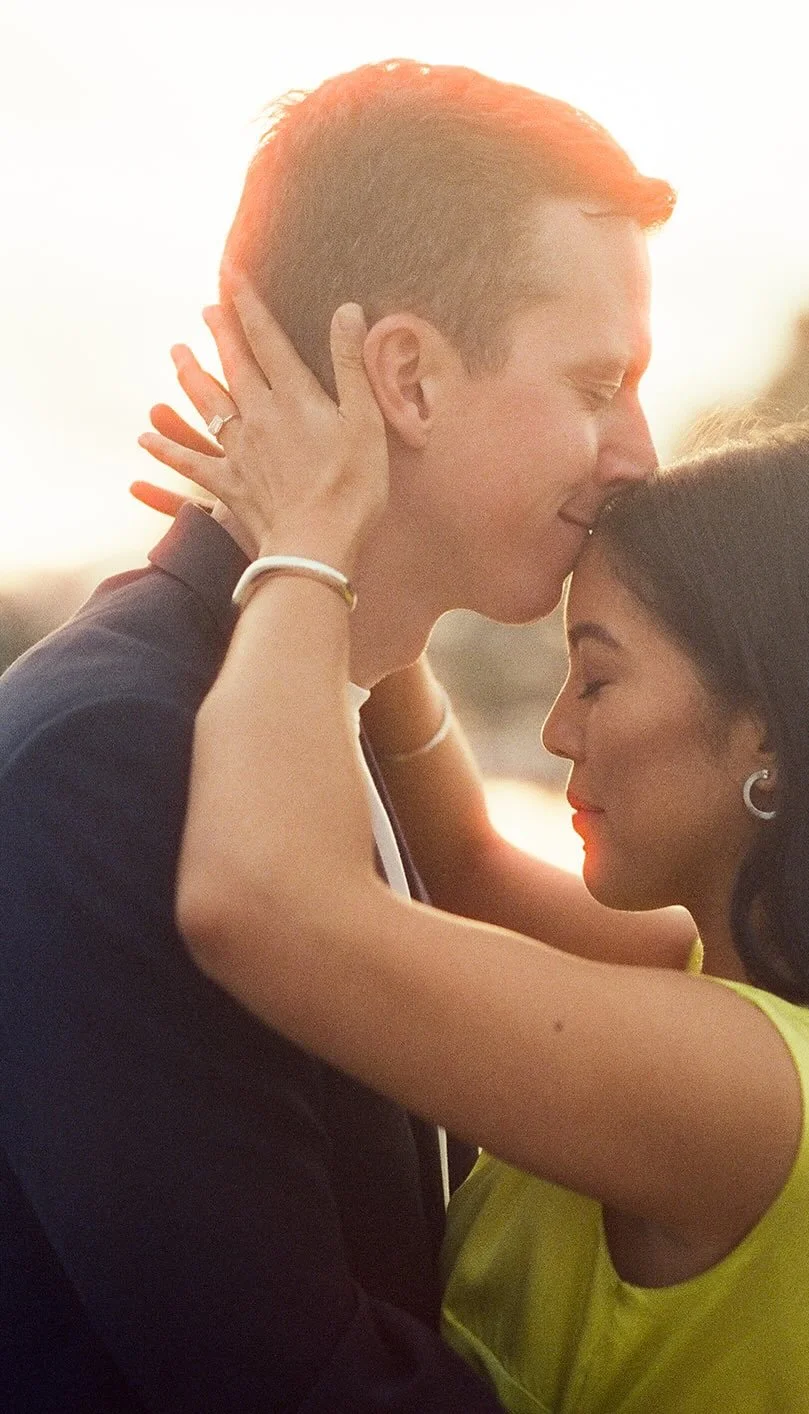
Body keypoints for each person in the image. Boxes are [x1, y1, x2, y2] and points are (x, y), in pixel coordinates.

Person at [153, 285, 809, 1413]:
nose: (555, 728)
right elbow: (469, 864)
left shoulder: (740, 1093)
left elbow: (263, 903)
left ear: (772, 724)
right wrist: (381, 543)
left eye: (596, 675)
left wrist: (307, 541)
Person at [0, 59, 683, 1412]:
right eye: (596, 382)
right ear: (407, 379)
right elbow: (291, 1384)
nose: (640, 453)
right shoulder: (114, 757)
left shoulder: (324, 721)